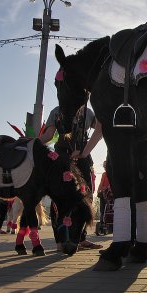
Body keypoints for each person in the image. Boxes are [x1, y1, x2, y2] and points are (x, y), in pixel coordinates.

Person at [40, 105, 103, 249]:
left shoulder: (88, 112)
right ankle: (60, 241)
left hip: (83, 155)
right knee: (59, 197)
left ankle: (81, 238)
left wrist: (84, 151)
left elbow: (100, 129)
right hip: (62, 156)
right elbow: (48, 136)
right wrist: (31, 142)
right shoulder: (56, 111)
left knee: (86, 196)